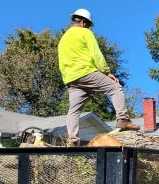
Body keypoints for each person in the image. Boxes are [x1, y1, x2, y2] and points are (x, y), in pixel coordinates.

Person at [58, 8, 139, 145]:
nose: (89, 27)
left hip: (71, 79)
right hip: (85, 72)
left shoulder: (63, 39)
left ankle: (72, 140)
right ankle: (123, 119)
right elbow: (96, 54)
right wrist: (106, 72)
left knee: (74, 111)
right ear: (83, 22)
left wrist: (68, 79)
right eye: (88, 25)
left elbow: (61, 61)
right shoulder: (85, 32)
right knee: (115, 88)